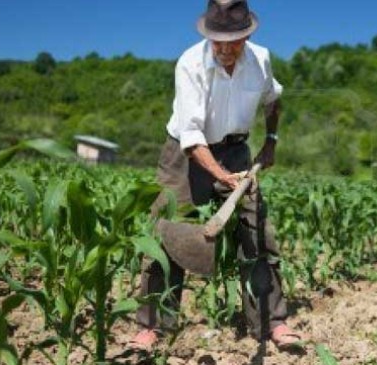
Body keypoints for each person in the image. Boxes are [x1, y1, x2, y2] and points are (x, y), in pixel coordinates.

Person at [131, 0, 301, 351]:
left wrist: (271, 140)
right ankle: (152, 325)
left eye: (233, 41)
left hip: (236, 149)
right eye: (217, 40)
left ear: (247, 34)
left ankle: (272, 322)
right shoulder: (190, 64)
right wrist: (222, 177)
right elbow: (192, 139)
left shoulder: (261, 60)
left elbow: (273, 99)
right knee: (165, 231)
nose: (224, 49)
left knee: (256, 231)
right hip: (185, 154)